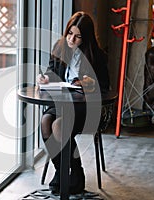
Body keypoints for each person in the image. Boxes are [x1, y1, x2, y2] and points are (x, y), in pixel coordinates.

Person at [36, 11, 110, 194]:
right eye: (70, 33)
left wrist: (92, 84)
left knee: (59, 126)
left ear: (86, 38)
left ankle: (76, 173)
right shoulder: (59, 48)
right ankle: (62, 171)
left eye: (77, 37)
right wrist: (45, 79)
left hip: (84, 109)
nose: (71, 39)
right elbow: (51, 73)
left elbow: (105, 86)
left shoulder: (96, 55)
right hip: (61, 104)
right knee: (46, 122)